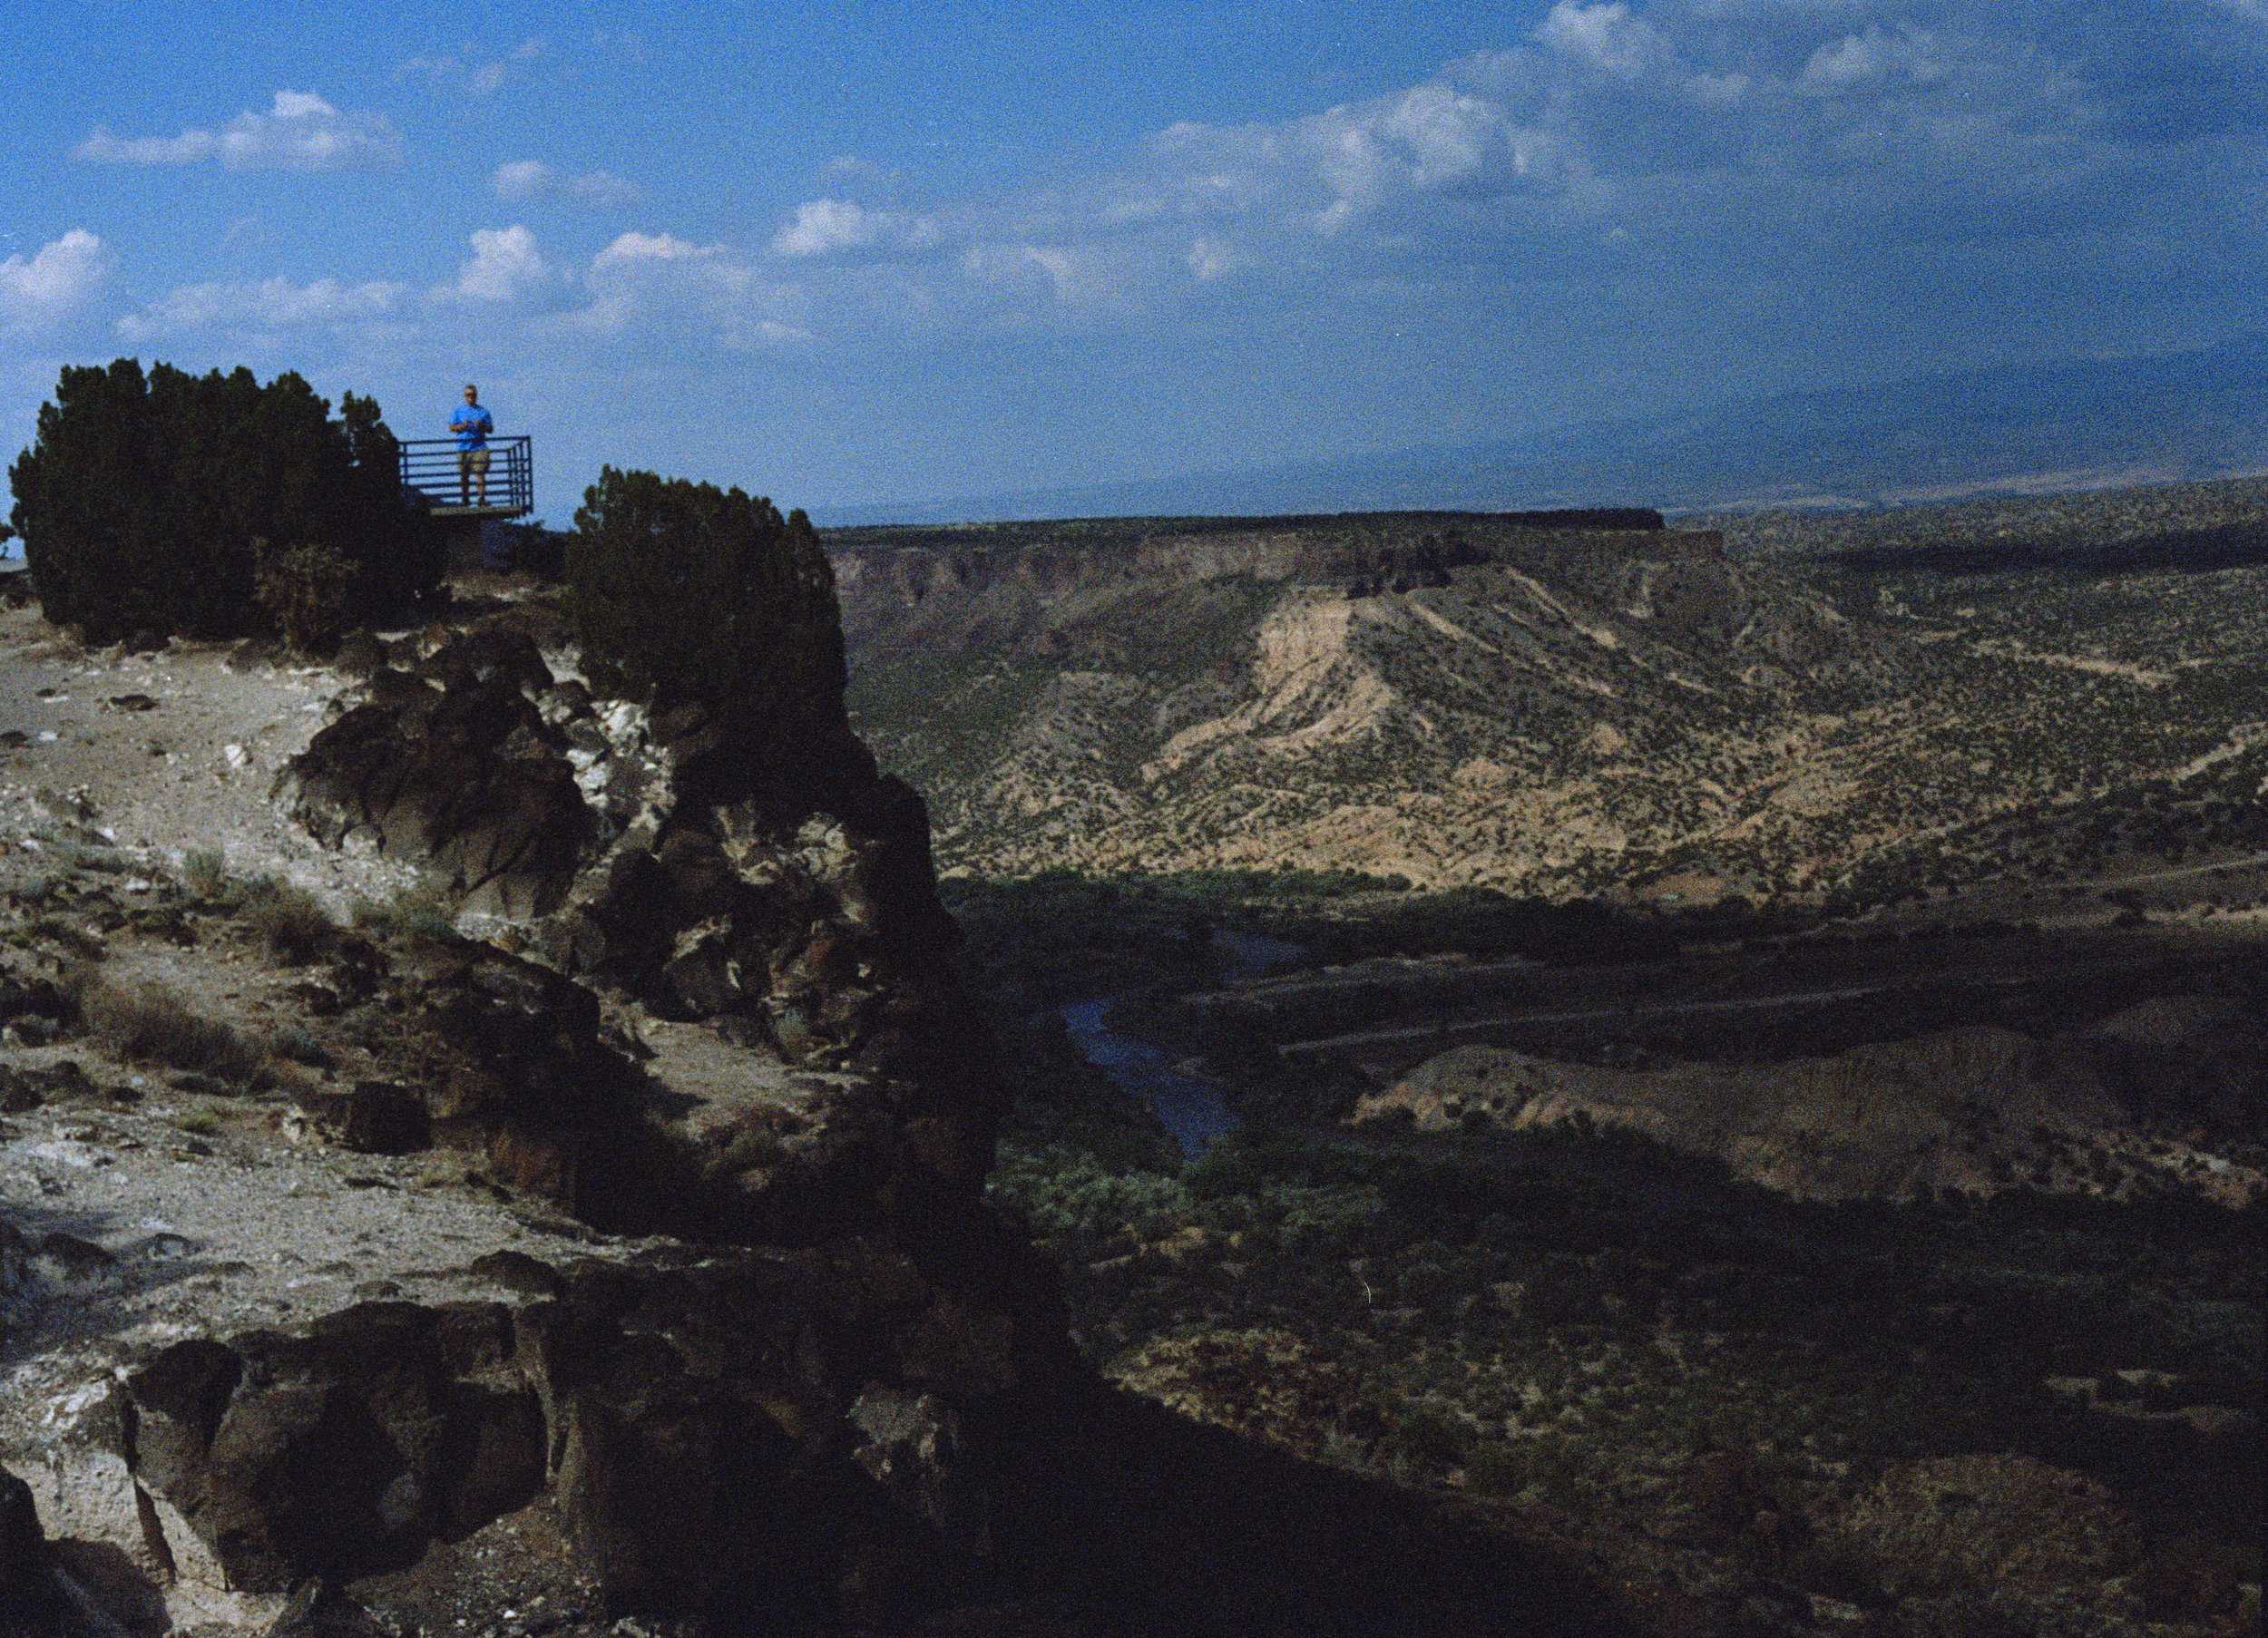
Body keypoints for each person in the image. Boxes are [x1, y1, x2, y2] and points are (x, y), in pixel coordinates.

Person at [448, 383, 495, 507]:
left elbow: (490, 429)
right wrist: (462, 426)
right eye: (468, 395)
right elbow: (451, 427)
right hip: (463, 447)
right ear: (464, 396)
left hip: (479, 446)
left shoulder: (483, 411)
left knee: (479, 472)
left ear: (476, 396)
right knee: (464, 475)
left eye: (473, 395)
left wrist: (481, 426)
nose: (471, 397)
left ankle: (481, 498)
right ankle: (465, 498)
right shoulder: (458, 411)